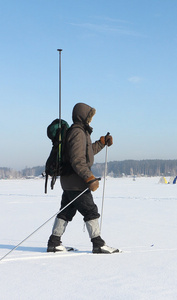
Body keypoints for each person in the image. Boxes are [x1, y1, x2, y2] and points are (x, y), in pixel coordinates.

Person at [47, 102, 119, 254]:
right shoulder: (78, 132)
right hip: (76, 182)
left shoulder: (81, 132)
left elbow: (88, 152)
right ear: (83, 116)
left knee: (66, 212)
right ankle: (98, 243)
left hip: (69, 182)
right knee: (90, 211)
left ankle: (54, 242)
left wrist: (102, 143)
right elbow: (78, 160)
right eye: (90, 116)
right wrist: (89, 178)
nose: (91, 119)